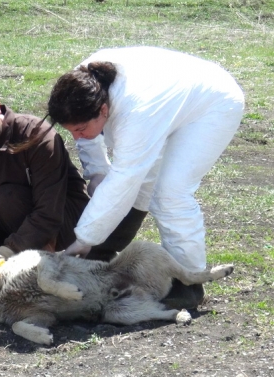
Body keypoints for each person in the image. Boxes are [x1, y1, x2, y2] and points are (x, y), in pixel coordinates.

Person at [46, 46, 245, 309]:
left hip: (212, 103)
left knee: (170, 192)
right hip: (167, 98)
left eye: (80, 129)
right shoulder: (82, 86)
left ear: (104, 110)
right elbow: (88, 139)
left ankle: (188, 282)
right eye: (70, 131)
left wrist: (83, 239)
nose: (76, 137)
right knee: (136, 176)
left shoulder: (136, 113)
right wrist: (96, 173)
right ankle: (103, 251)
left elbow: (125, 179)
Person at [0, 79, 144, 260]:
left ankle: (30, 264)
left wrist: (6, 252)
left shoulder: (36, 135)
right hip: (5, 221)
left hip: (60, 222)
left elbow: (48, 212)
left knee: (8, 198)